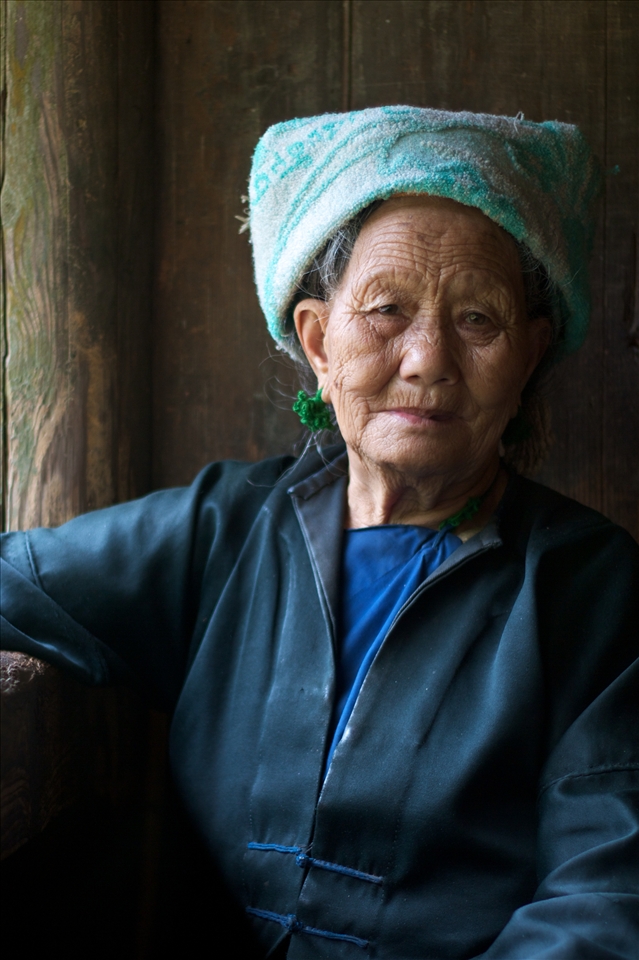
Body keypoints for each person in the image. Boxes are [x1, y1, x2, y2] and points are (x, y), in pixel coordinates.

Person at [1, 106, 637, 959]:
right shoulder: (227, 530)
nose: (426, 359)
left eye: (477, 319)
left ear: (528, 355)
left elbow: (604, 900)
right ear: (317, 342)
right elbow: (19, 583)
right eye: (385, 310)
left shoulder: (593, 593)